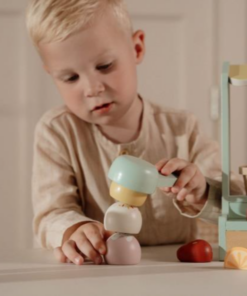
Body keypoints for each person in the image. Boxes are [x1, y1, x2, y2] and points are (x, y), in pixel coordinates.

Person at [26, 0, 244, 266]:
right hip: (97, 274)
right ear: (52, 75)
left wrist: (200, 191)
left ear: (137, 48)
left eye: (105, 66)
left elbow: (234, 198)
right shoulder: (56, 132)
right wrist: (74, 230)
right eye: (70, 78)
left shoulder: (182, 128)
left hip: (172, 272)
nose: (92, 88)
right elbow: (52, 213)